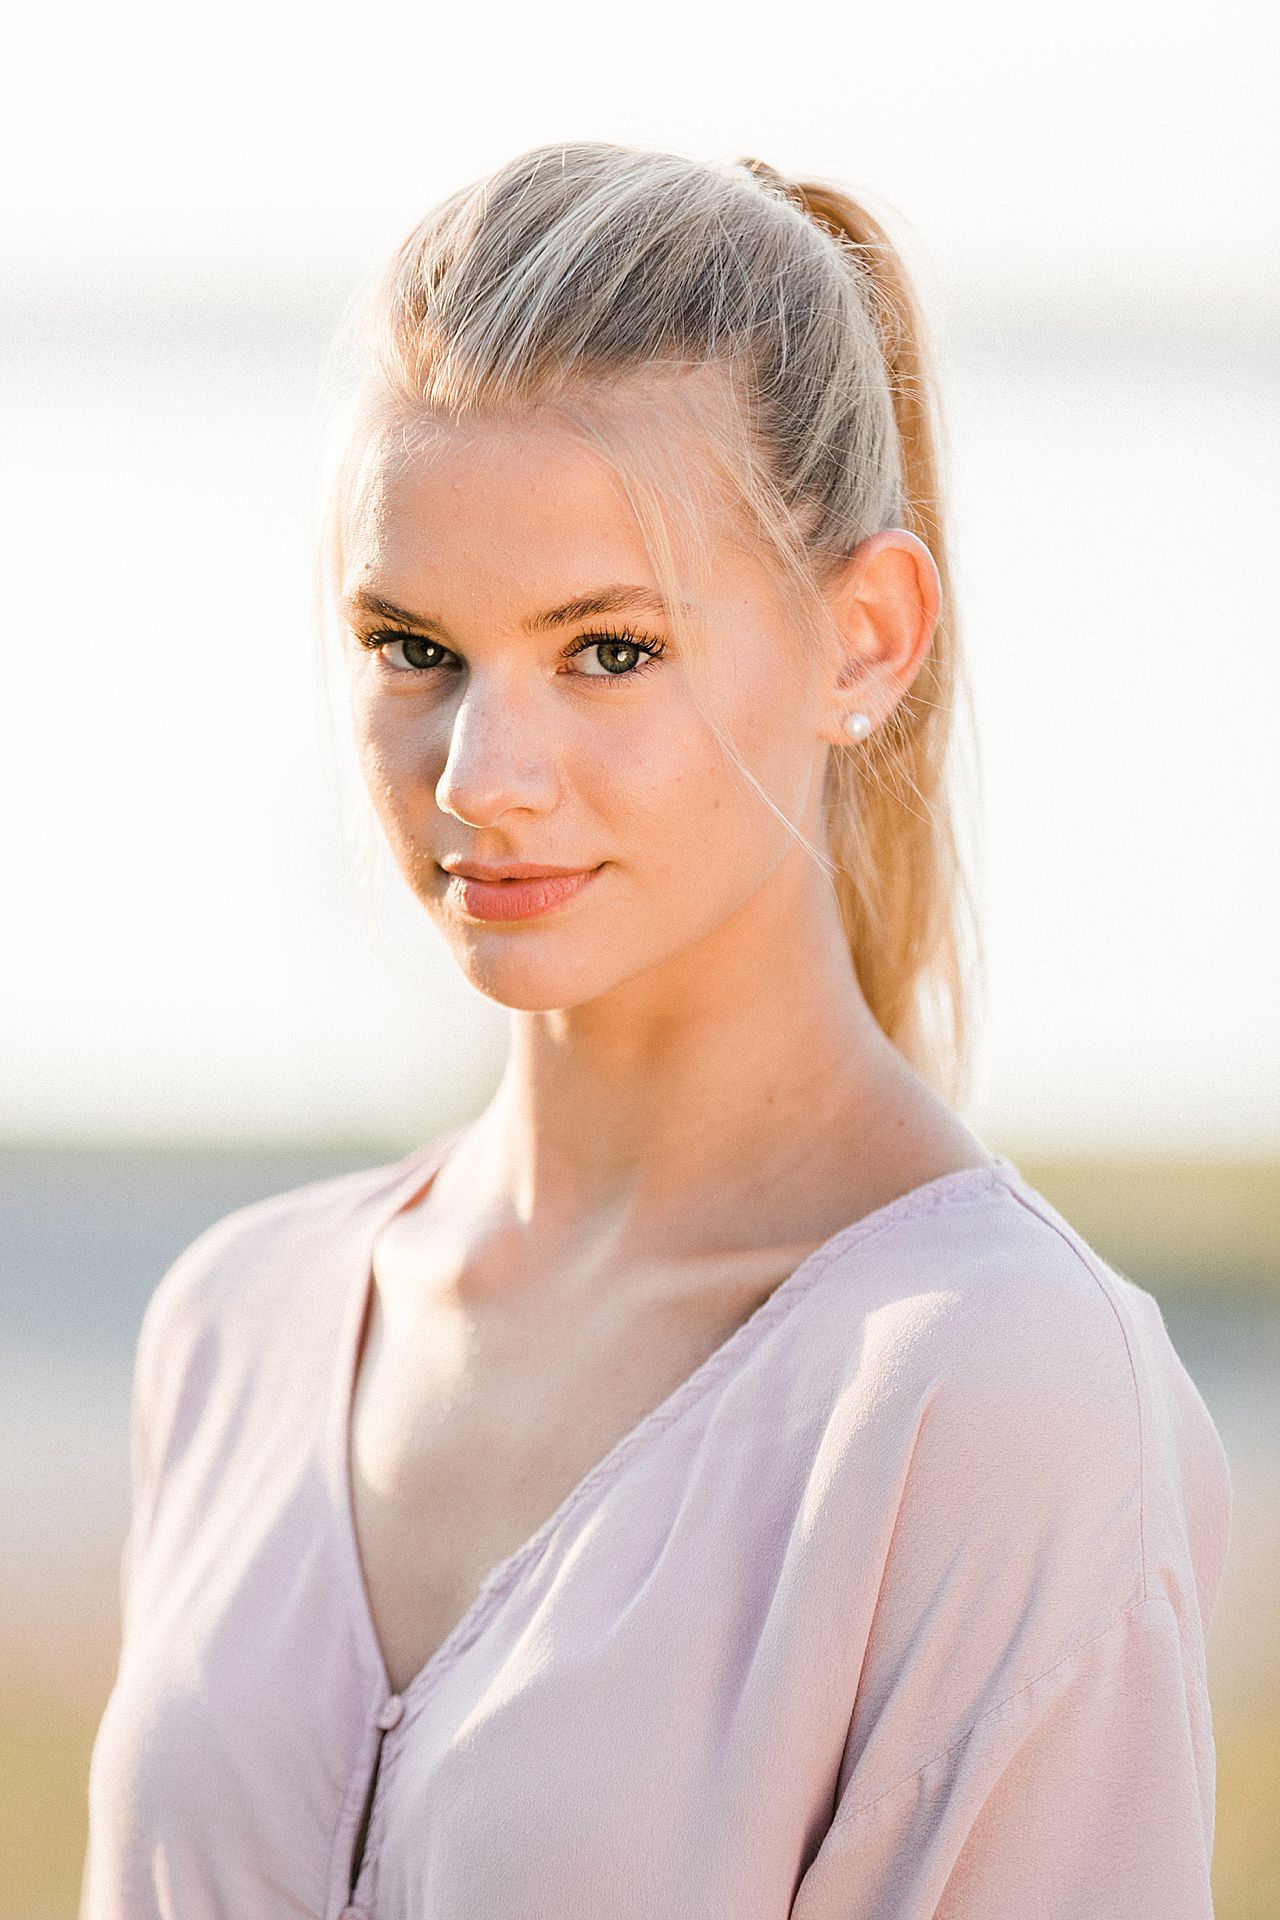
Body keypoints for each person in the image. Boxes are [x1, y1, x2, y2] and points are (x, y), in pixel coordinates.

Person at [80, 141, 1232, 1919]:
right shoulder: (238, 1331)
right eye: (413, 647)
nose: (481, 777)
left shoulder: (1002, 1399)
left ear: (866, 636)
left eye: (605, 651)